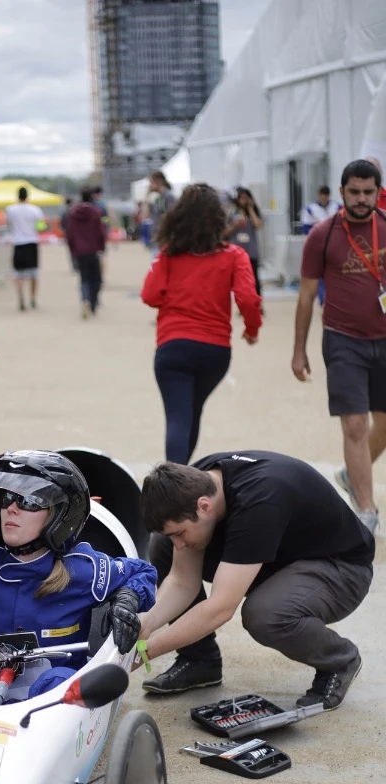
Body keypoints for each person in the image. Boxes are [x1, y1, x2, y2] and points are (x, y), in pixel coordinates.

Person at [0, 451, 158, 708]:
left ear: (60, 515)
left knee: (57, 680)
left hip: (56, 692)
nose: (11, 508)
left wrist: (127, 599)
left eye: (30, 501)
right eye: (7, 498)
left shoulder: (82, 568)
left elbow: (142, 573)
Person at [138, 453, 373, 709]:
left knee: (266, 613)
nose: (180, 543)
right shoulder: (194, 482)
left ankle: (339, 660)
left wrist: (149, 650)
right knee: (164, 544)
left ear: (205, 506)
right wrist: (144, 624)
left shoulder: (259, 502)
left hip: (340, 568)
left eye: (180, 533)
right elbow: (182, 581)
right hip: (280, 553)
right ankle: (200, 662)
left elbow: (220, 608)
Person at [292, 158, 386, 535]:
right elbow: (305, 295)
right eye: (354, 191)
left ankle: (351, 473)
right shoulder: (323, 235)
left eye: (368, 192)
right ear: (342, 191)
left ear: (378, 192)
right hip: (344, 339)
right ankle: (366, 508)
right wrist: (299, 351)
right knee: (354, 424)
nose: (361, 199)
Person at [141, 184, 262, 465]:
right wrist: (252, 330)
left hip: (173, 347)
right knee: (192, 412)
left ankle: (173, 482)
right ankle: (181, 476)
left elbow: (150, 295)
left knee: (178, 417)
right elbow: (248, 298)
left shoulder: (168, 253)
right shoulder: (234, 255)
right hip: (215, 350)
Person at [65, 188, 107, 319]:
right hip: (94, 249)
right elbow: (101, 232)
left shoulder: (73, 213)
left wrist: (72, 249)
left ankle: (85, 300)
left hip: (79, 250)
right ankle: (93, 302)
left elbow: (70, 234)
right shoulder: (96, 212)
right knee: (97, 279)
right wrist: (102, 247)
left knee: (84, 278)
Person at [5, 186, 46, 311]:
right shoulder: (35, 210)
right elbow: (41, 226)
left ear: (18, 196)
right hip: (32, 242)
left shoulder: (10, 209)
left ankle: (21, 294)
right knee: (34, 274)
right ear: (27, 196)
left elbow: (8, 223)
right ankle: (33, 298)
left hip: (18, 243)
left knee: (19, 274)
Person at [300, 186, 341, 306]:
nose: (324, 198)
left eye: (326, 195)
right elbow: (306, 228)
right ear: (319, 195)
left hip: (334, 244)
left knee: (333, 271)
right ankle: (324, 300)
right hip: (318, 244)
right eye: (322, 195)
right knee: (319, 273)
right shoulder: (310, 209)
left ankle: (332, 298)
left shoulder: (337, 207)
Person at [225, 187, 263, 294]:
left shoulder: (253, 211)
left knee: (254, 279)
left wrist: (250, 208)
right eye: (241, 198)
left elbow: (258, 225)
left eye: (246, 198)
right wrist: (234, 225)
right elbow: (225, 232)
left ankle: (257, 305)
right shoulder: (231, 212)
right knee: (237, 281)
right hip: (236, 252)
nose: (243, 200)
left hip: (251, 252)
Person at [147, 172, 176, 251]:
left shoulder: (168, 197)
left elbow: (172, 217)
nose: (149, 185)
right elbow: (145, 216)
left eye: (151, 182)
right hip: (158, 238)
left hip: (164, 239)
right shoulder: (158, 199)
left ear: (159, 182)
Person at [60, 197, 77, 270]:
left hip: (68, 235)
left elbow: (62, 225)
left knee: (72, 251)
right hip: (76, 235)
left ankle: (74, 266)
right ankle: (78, 265)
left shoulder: (64, 213)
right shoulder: (76, 211)